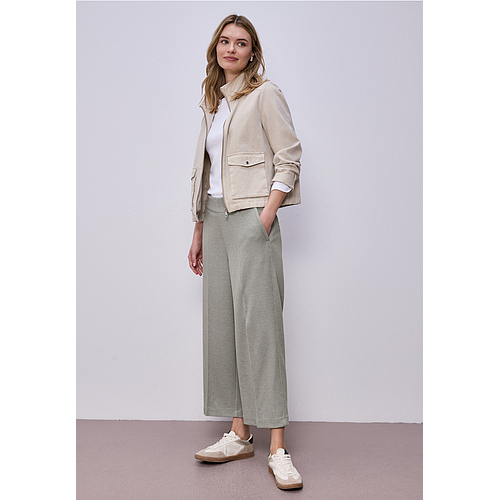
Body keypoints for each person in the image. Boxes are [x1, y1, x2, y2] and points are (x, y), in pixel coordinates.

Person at [187, 14, 303, 490]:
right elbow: (207, 172)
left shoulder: (265, 94)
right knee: (224, 325)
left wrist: (266, 215)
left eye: (240, 43)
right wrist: (198, 228)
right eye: (224, 41)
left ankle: (277, 448)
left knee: (261, 328)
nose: (230, 49)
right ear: (215, 48)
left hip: (252, 216)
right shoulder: (213, 102)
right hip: (214, 219)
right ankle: (239, 433)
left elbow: (289, 156)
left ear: (252, 52)